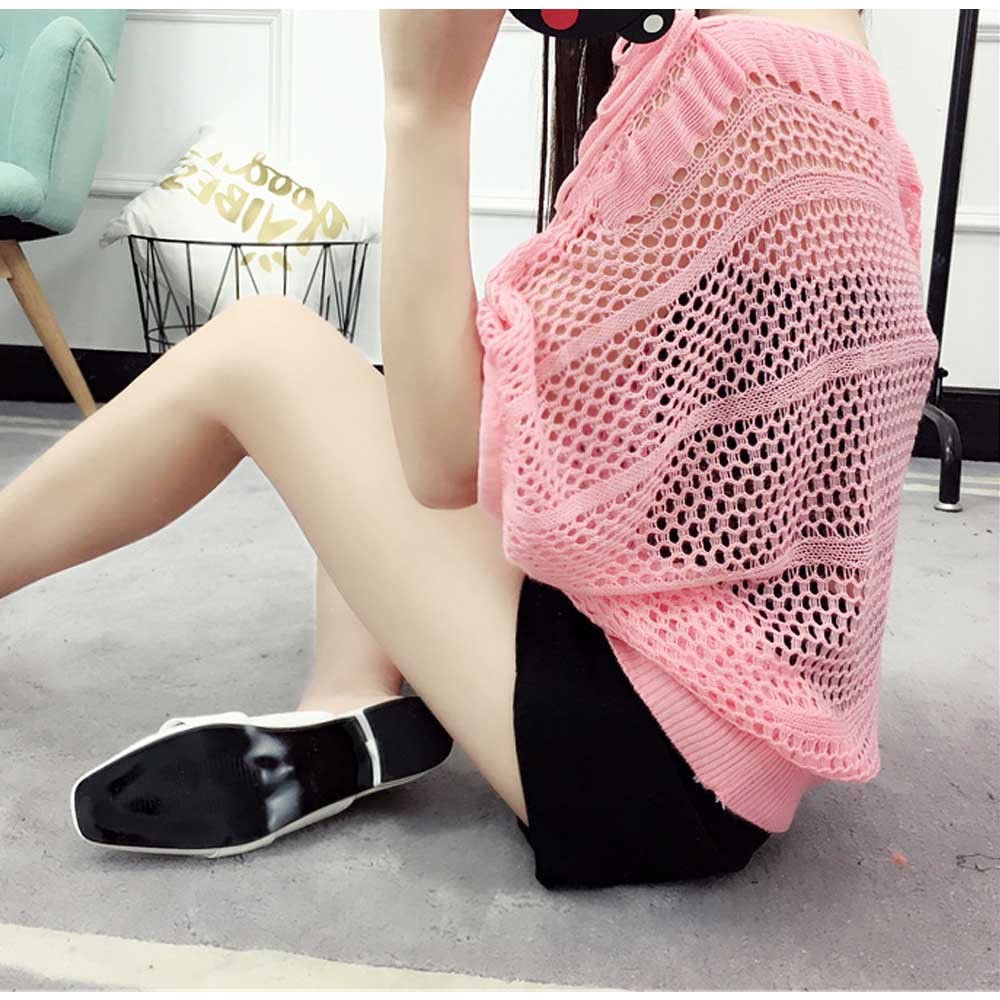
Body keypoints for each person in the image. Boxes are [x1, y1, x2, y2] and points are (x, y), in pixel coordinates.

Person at [0, 9, 938, 889]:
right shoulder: (850, 103)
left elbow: (441, 461)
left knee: (260, 348)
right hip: (737, 723)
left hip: (650, 757)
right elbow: (575, 447)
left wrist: (427, 108)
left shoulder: (729, 93)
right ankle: (347, 702)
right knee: (374, 406)